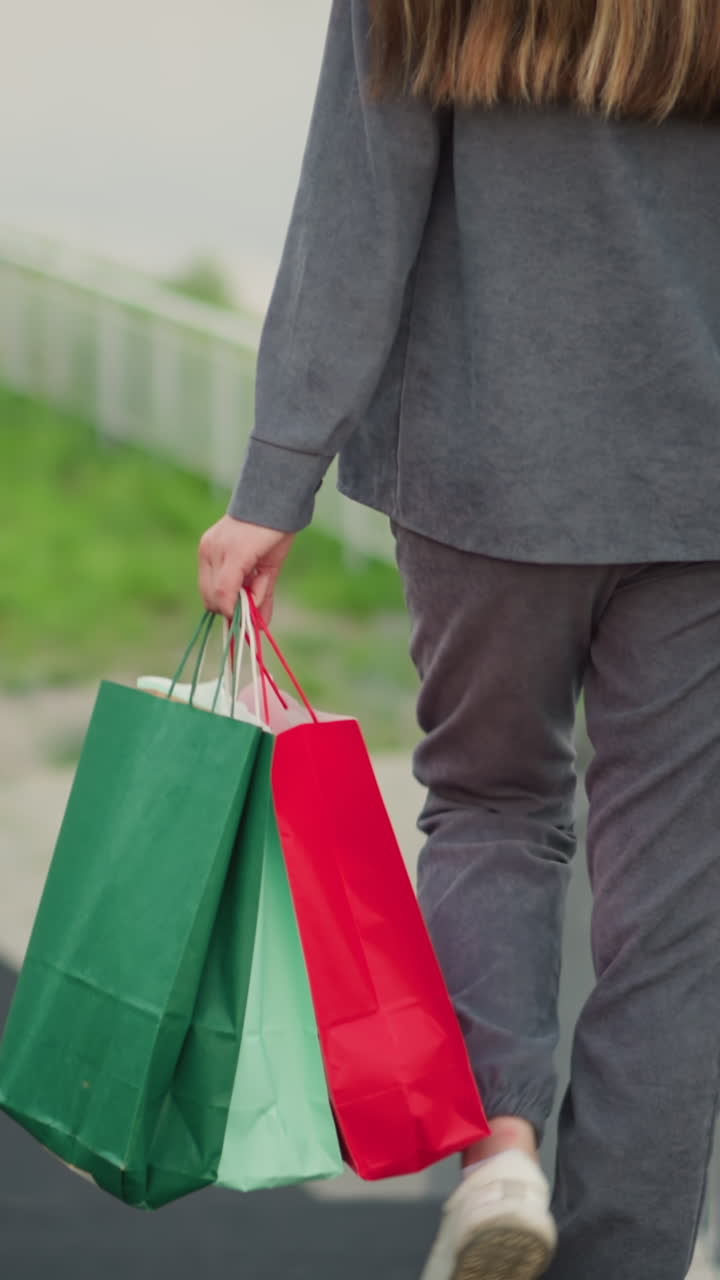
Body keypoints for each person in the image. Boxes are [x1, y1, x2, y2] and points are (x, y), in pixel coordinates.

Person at [198, 3, 720, 1277]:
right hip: (701, 481)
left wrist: (276, 483)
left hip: (483, 468)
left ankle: (500, 1154)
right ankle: (625, 1257)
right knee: (678, 904)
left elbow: (356, 206)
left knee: (492, 808)